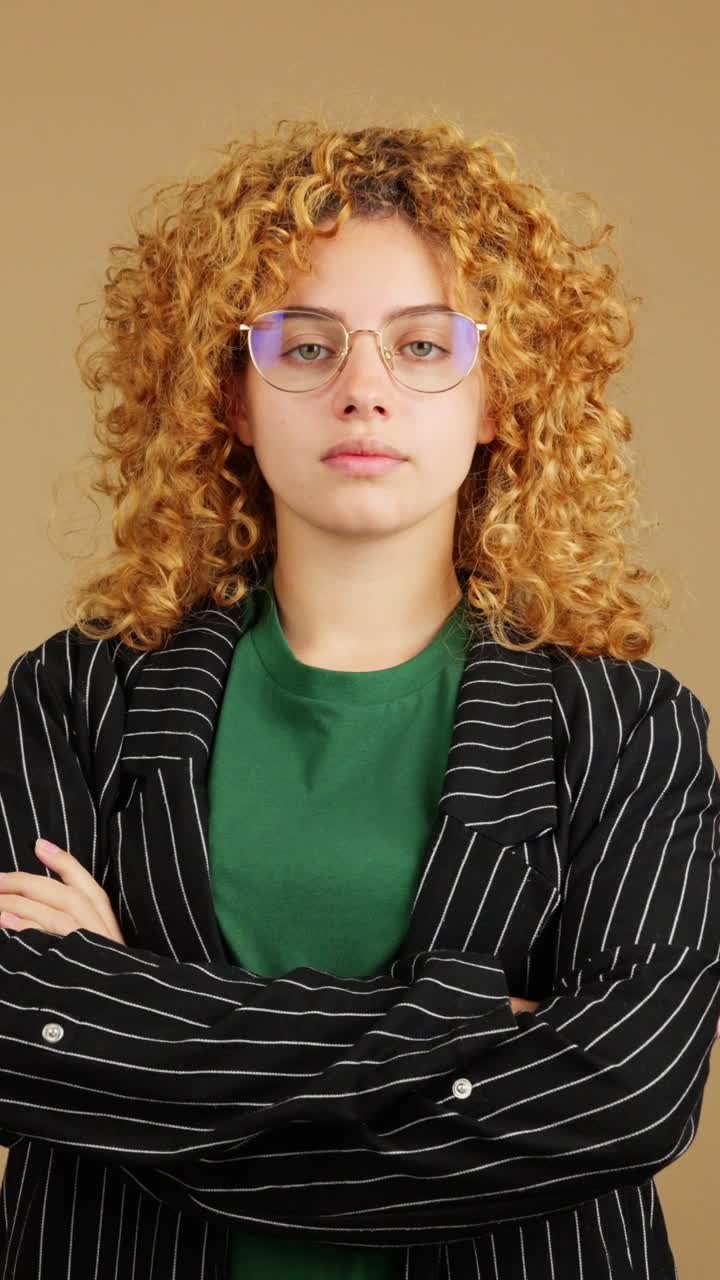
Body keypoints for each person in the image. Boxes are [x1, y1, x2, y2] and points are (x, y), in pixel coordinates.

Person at [0, 117, 718, 1280]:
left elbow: (624, 1098)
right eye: (305, 343)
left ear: (499, 397)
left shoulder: (627, 725)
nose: (364, 392)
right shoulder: (77, 693)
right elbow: (24, 1040)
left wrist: (137, 1003)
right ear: (230, 393)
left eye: (424, 345)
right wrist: (481, 1035)